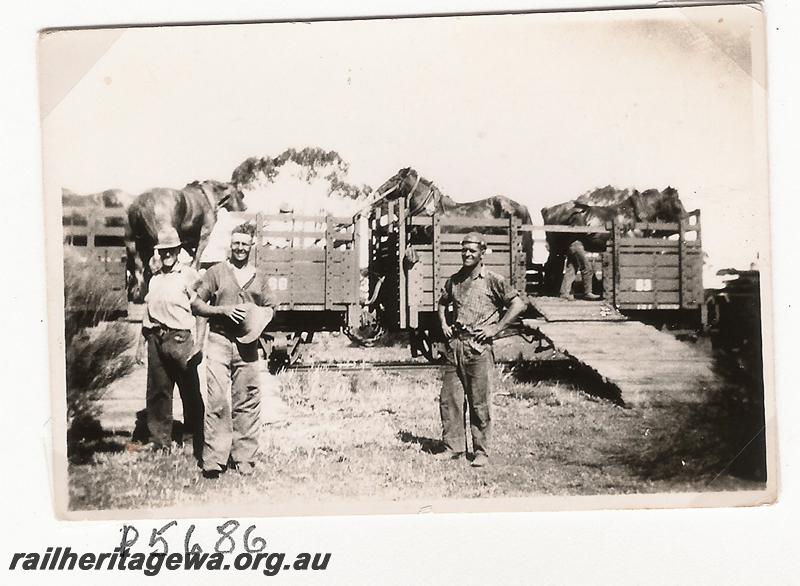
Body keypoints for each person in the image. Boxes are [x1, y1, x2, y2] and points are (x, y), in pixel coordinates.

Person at [436, 232, 528, 467]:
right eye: (464, 250)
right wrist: (444, 325)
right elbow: (442, 302)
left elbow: (518, 304)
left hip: (478, 349)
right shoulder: (455, 280)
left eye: (472, 251)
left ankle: (481, 451)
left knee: (479, 402)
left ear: (482, 253)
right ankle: (453, 447)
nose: (467, 254)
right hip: (455, 345)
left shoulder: (493, 280)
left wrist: (496, 329)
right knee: (450, 400)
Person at [191, 224, 273, 478]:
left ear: (252, 246)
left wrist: (256, 320)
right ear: (231, 244)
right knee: (216, 399)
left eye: (244, 244)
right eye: (236, 243)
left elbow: (271, 307)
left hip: (248, 345)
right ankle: (214, 459)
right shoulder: (216, 272)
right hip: (219, 340)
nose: (239, 248)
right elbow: (196, 304)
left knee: (247, 399)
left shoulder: (259, 277)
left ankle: (244, 457)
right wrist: (222, 311)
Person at [140, 227, 204, 457]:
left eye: (170, 251)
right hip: (156, 337)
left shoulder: (189, 275)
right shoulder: (155, 279)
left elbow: (201, 308)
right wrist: (141, 343)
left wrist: (198, 343)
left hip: (180, 338)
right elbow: (148, 312)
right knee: (158, 391)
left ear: (178, 251)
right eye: (163, 251)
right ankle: (160, 441)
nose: (166, 255)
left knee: (189, 391)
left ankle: (193, 440)